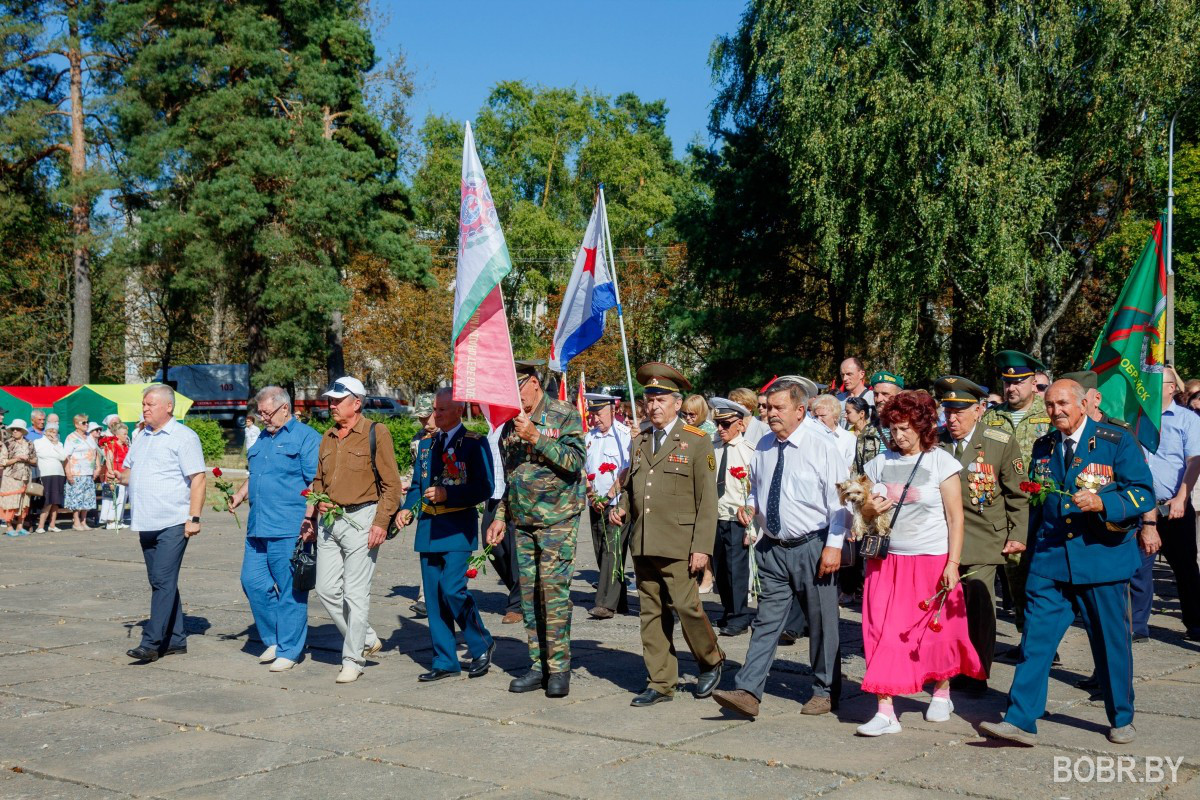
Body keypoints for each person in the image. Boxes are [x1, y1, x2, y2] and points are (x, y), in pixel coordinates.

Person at [981, 379, 1155, 746]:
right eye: (1049, 405)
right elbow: (1037, 500)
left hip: (1101, 560)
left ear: (1083, 404)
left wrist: (1105, 503)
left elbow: (1143, 492)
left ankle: (1121, 717)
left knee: (1111, 644)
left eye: (1062, 403)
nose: (1055, 411)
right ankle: (1020, 719)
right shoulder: (1044, 446)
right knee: (1036, 642)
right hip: (1051, 560)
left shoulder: (1114, 441)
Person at [711, 378, 850, 719]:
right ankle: (748, 690)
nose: (770, 414)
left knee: (820, 623)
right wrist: (752, 508)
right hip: (772, 547)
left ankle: (825, 689)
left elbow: (842, 504)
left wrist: (833, 547)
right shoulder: (766, 446)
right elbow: (760, 490)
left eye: (778, 408)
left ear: (800, 410)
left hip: (813, 547)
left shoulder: (823, 447)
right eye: (768, 408)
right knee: (767, 621)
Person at [851, 390, 984, 736]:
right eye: (893, 428)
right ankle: (885, 710)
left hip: (931, 559)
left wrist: (953, 564)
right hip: (887, 561)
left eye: (906, 428)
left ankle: (941, 691)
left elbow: (956, 519)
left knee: (933, 631)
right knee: (880, 632)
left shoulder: (942, 462)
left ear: (923, 426)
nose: (899, 436)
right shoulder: (879, 463)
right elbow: (860, 512)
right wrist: (867, 509)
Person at [611, 362, 724, 707]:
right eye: (650, 399)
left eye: (661, 399)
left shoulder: (696, 441)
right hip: (644, 541)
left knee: (687, 607)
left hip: (679, 542)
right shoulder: (641, 439)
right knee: (652, 612)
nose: (654, 406)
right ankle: (660, 681)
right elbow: (635, 489)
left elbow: (707, 501)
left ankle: (710, 661)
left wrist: (702, 548)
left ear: (678, 403)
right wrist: (622, 508)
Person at [485, 359, 586, 698]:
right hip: (523, 522)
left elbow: (575, 462)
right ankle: (537, 665)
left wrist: (537, 437)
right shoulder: (507, 426)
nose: (510, 396)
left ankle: (559, 669)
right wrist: (500, 516)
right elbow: (510, 478)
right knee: (528, 596)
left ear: (532, 383)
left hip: (558, 520)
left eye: (514, 387)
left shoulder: (563, 414)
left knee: (553, 595)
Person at [305, 376, 403, 684]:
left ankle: (352, 658)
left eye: (337, 400)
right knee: (325, 589)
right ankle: (366, 637)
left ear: (356, 403)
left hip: (362, 520)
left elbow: (391, 485)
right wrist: (314, 509)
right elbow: (319, 479)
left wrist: (381, 523)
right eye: (330, 400)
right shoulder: (328, 435)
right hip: (329, 521)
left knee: (355, 594)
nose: (331, 405)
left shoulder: (377, 432)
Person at [934, 376, 1028, 696]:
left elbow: (1016, 492)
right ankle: (947, 665)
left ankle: (976, 672)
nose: (952, 417)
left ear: (979, 409)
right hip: (941, 537)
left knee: (977, 605)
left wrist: (1018, 534)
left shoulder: (998, 440)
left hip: (982, 535)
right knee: (945, 606)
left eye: (960, 410)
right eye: (948, 410)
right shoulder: (936, 441)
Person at [396, 388, 496, 682]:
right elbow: (417, 484)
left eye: (441, 410)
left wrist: (447, 494)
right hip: (429, 528)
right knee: (436, 597)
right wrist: (408, 509)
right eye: (434, 410)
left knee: (453, 589)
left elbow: (484, 487)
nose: (434, 415)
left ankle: (480, 643)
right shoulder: (426, 446)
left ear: (457, 411)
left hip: (456, 528)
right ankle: (445, 659)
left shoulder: (473, 444)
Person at [228, 386, 320, 672]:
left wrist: (310, 519)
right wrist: (241, 494)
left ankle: (290, 649)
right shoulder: (262, 439)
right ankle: (276, 638)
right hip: (258, 526)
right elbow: (256, 474)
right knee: (252, 582)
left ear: (285, 408)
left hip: (288, 526)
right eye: (260, 412)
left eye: (267, 412)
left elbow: (315, 483)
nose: (263, 417)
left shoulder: (306, 438)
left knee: (291, 590)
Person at [121, 385, 207, 663]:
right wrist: (114, 474)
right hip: (145, 521)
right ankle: (177, 639)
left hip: (173, 520)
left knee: (161, 580)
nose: (145, 409)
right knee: (162, 581)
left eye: (150, 404)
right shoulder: (141, 436)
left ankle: (151, 643)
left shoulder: (184, 437)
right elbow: (129, 473)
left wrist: (194, 517)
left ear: (168, 407)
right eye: (143, 404)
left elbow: (198, 478)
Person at [983, 350, 1053, 651]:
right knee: (1016, 576)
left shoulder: (1049, 413)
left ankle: (1045, 639)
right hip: (1008, 510)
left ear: (1033, 382)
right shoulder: (991, 418)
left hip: (1043, 507)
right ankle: (1029, 639)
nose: (1012, 388)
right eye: (1007, 382)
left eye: (1019, 382)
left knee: (1044, 576)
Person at [1140, 366, 1200, 640]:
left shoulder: (1187, 420)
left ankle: (1195, 622)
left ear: (1171, 388)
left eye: (1157, 381)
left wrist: (1182, 497)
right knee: (1137, 570)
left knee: (1185, 567)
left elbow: (1194, 460)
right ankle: (1135, 626)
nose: (1150, 385)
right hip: (1141, 507)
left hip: (1172, 506)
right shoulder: (1137, 418)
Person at [710, 397, 757, 636]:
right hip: (715, 516)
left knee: (736, 571)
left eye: (726, 424)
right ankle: (729, 610)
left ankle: (740, 616)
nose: (720, 429)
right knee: (720, 569)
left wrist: (753, 528)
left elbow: (756, 490)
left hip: (737, 518)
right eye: (718, 423)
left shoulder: (748, 452)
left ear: (740, 424)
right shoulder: (713, 447)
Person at [584, 393, 632, 620]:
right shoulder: (589, 437)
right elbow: (583, 468)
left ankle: (605, 604)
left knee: (612, 551)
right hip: (595, 503)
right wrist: (591, 494)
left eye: (599, 414)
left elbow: (626, 468)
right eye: (592, 414)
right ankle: (619, 600)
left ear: (613, 411)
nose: (595, 419)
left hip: (616, 503)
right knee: (601, 550)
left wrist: (611, 494)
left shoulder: (624, 435)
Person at [406, 393, 438, 618]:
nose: (425, 422)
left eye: (428, 417)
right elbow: (414, 470)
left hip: (449, 502)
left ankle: (433, 595)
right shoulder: (418, 440)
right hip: (424, 503)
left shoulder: (455, 434)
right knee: (427, 549)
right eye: (421, 418)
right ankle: (425, 597)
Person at [62, 415, 99, 530]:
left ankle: (84, 521)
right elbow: (66, 456)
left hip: (88, 472)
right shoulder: (71, 438)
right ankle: (76, 521)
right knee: (76, 497)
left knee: (87, 497)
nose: (86, 424)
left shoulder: (90, 437)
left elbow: (95, 452)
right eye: (83, 422)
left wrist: (97, 467)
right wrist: (68, 472)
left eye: (87, 422)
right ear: (76, 424)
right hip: (76, 472)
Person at [0, 420, 36, 535]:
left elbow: (35, 461)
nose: (15, 431)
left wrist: (27, 460)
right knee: (10, 501)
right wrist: (16, 458)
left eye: (18, 429)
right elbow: (2, 461)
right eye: (13, 429)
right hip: (11, 476)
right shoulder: (7, 443)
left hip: (25, 476)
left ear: (23, 431)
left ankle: (20, 526)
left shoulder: (29, 443)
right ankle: (9, 527)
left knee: (23, 501)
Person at [33, 424, 66, 533]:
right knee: (48, 500)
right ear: (45, 432)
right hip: (46, 474)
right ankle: (40, 526)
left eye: (54, 431)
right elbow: (39, 455)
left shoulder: (59, 444)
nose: (52, 434)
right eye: (50, 431)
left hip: (59, 474)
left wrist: (56, 444)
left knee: (56, 500)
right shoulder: (38, 442)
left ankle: (52, 525)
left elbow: (63, 457)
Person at [98, 424, 131, 529]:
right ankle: (110, 521)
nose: (126, 436)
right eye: (124, 434)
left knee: (122, 497)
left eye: (126, 433)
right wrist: (111, 474)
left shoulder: (125, 446)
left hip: (124, 475)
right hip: (114, 475)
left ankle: (119, 520)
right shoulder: (112, 445)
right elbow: (109, 461)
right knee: (114, 498)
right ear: (117, 435)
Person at [810, 393, 856, 468]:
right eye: (815, 416)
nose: (818, 420)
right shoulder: (810, 436)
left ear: (835, 416)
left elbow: (849, 467)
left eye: (822, 416)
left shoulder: (849, 439)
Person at [846, 396, 884, 476]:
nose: (845, 416)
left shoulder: (874, 433)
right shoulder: (847, 435)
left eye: (848, 412)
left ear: (862, 414)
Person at [869, 371, 904, 446]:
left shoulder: (911, 429)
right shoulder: (868, 431)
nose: (878, 399)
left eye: (885, 394)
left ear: (899, 396)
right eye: (876, 394)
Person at [836, 357, 874, 423]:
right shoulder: (837, 400)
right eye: (842, 375)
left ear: (861, 374)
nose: (845, 378)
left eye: (849, 374)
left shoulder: (873, 398)